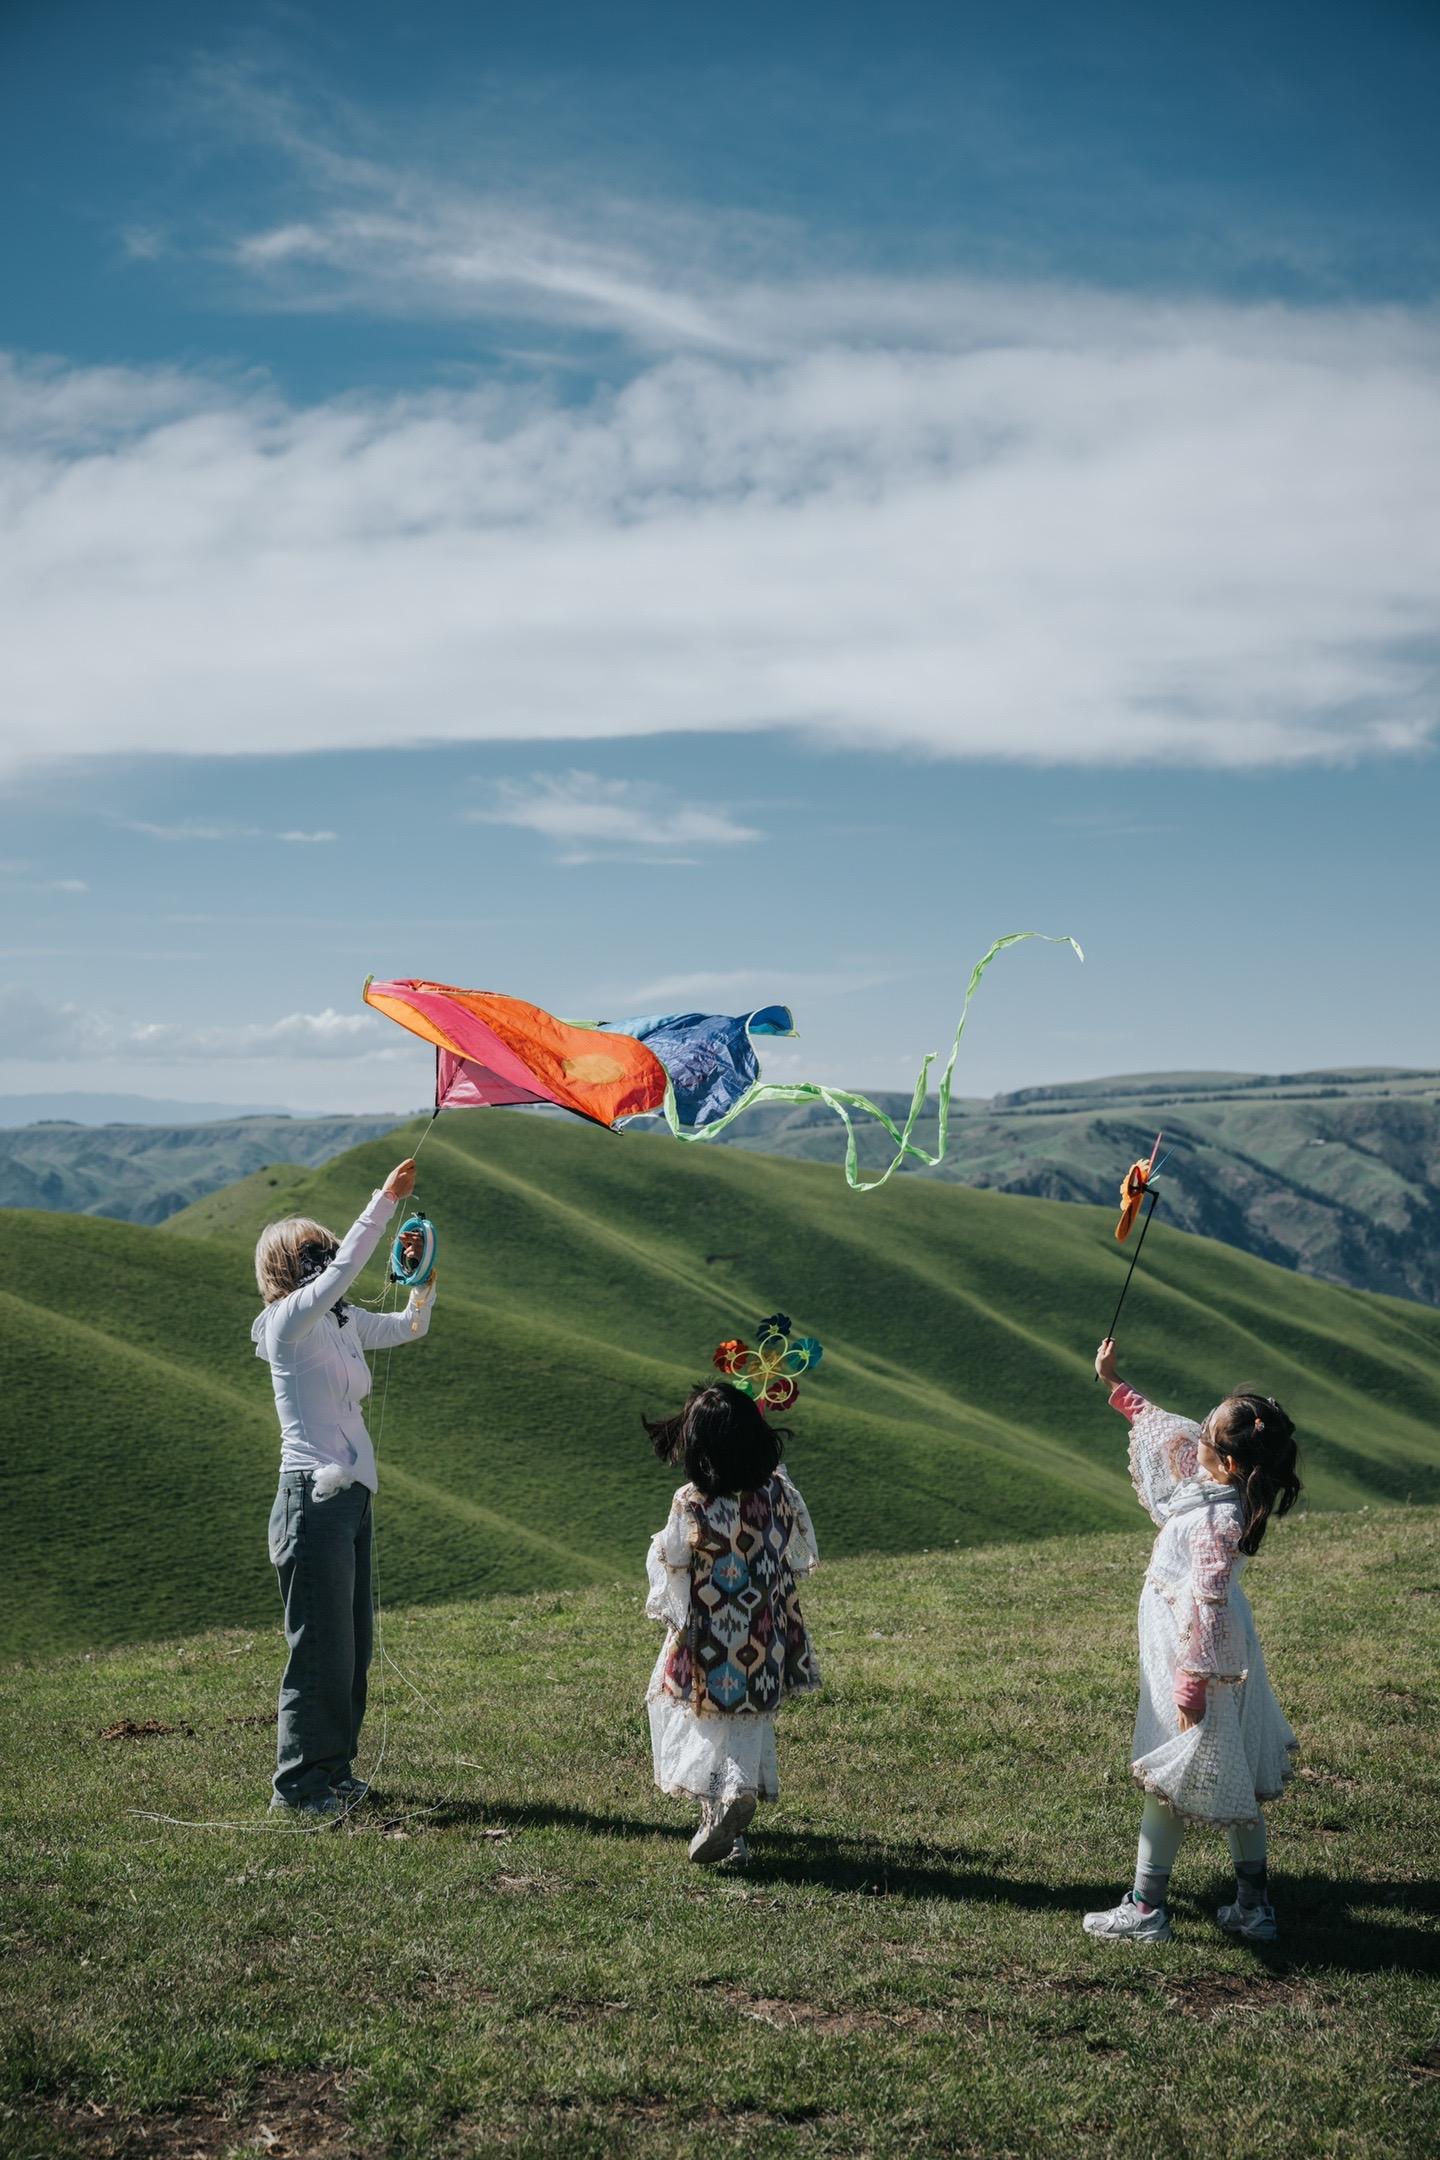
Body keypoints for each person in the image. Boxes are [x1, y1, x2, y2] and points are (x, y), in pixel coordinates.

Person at [1084, 1338, 1301, 1944]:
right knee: (1237, 1779)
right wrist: (1116, 1383)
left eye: (1206, 1430)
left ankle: (1146, 1909)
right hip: (1221, 1659)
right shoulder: (1213, 1487)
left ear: (1227, 1461)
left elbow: (1208, 1605)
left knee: (1170, 1780)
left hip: (1197, 1662)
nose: (1194, 1433)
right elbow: (1163, 1426)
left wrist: (1190, 1687)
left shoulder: (1215, 1520)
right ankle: (1254, 1909)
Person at [251, 1158, 437, 1822]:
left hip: (350, 1497)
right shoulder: (288, 1322)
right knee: (318, 1649)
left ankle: (334, 1772)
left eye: (324, 1247)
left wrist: (422, 1279)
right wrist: (384, 1200)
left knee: (349, 1646)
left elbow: (409, 1327)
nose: (324, 1259)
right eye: (311, 1253)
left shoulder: (337, 1321)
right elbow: (344, 1272)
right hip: (312, 1500)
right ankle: (300, 1788)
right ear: (285, 1267)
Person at [644, 1382, 820, 1865]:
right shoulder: (778, 1491)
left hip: (711, 1638)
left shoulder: (692, 1502)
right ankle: (734, 1827)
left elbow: (674, 1561)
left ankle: (723, 1808)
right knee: (746, 1722)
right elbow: (796, 1549)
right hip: (765, 1637)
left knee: (701, 1721)